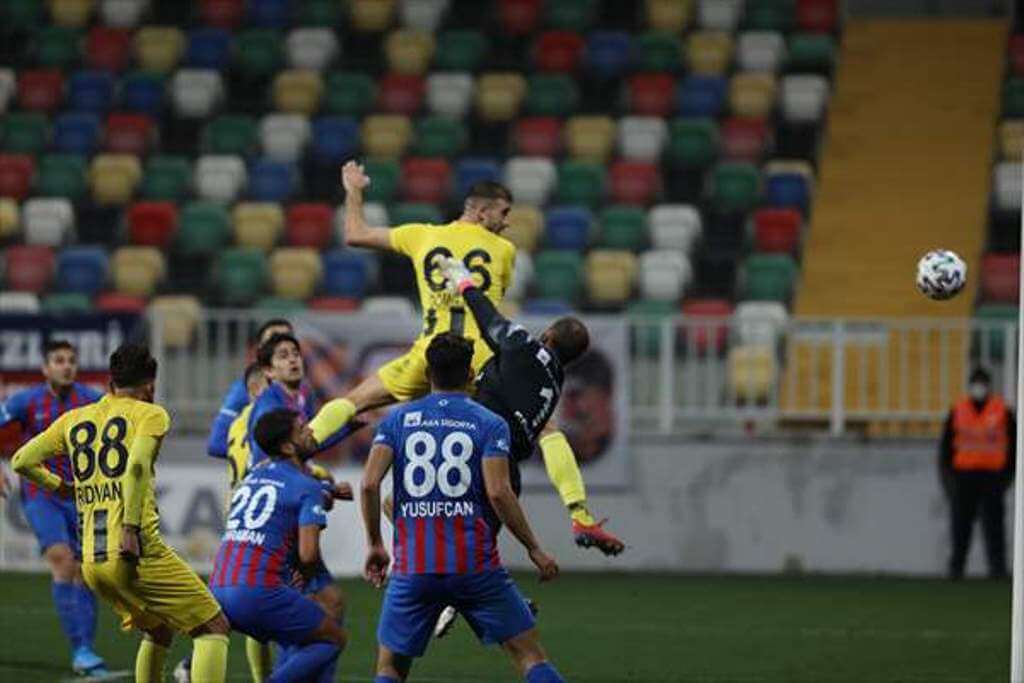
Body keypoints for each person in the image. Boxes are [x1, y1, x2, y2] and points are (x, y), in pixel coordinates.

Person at [12, 343, 230, 682]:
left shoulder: (75, 419)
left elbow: (21, 461)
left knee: (158, 630)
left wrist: (61, 486)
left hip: (92, 561)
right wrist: (130, 527)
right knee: (213, 625)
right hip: (134, 551)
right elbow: (138, 466)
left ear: (111, 381)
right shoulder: (150, 414)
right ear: (150, 384)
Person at [360, 333, 566, 683]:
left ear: (427, 374)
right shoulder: (488, 423)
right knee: (530, 656)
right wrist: (534, 548)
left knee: (391, 668)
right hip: (475, 567)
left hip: (414, 570)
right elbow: (500, 492)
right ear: (471, 375)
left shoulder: (397, 421)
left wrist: (376, 545)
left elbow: (369, 485)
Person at [304, 162, 517, 444]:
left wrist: (354, 191)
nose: (507, 222)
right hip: (479, 360)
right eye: (503, 213)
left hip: (430, 355)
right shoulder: (504, 250)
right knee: (516, 432)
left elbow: (354, 234)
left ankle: (297, 447)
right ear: (481, 212)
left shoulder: (422, 235)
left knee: (354, 401)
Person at [210, 409, 350, 682]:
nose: (310, 431)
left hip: (218, 588)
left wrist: (327, 490)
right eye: (302, 429)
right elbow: (308, 555)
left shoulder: (251, 478)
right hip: (257, 593)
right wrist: (304, 575)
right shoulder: (305, 486)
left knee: (302, 633)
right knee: (333, 638)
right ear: (287, 446)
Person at [0, 339, 107, 676]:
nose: (66, 365)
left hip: (81, 495)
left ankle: (86, 648)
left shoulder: (91, 400)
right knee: (63, 561)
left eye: (71, 360)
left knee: (86, 573)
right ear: (46, 368)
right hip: (41, 493)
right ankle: (81, 650)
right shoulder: (26, 400)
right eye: (59, 360)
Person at [939, 367, 1016, 580]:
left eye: (982, 383)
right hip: (964, 476)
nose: (979, 388)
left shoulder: (1002, 411)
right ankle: (957, 567)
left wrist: (1006, 477)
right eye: (976, 383)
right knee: (961, 524)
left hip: (993, 476)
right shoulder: (958, 410)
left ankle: (997, 568)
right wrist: (949, 477)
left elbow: (1014, 447)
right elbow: (946, 448)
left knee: (994, 525)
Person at [206, 318, 294, 460]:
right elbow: (216, 444)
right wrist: (265, 455)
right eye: (273, 340)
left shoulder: (304, 390)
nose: (282, 345)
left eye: (287, 339)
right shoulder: (243, 390)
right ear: (260, 350)